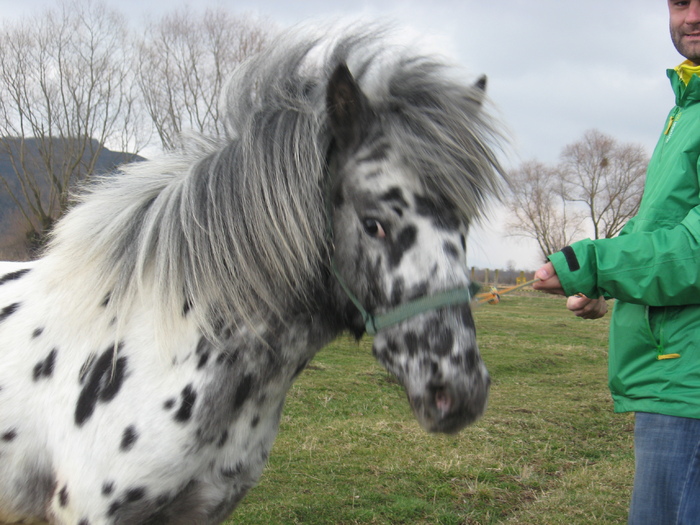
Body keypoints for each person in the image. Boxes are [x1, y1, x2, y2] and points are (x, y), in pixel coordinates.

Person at [533, 1, 700, 523]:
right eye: (679, 2)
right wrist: (605, 288)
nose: (691, 15)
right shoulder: (686, 110)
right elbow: (661, 227)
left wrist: (592, 266)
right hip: (672, 380)